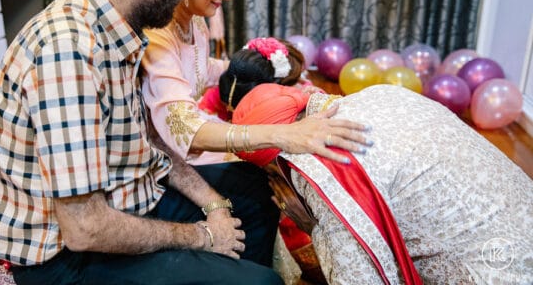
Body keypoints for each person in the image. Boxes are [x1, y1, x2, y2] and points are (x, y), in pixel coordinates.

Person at [0, 0, 284, 285]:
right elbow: (86, 228)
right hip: (67, 257)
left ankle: (234, 271)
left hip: (128, 196)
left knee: (253, 188)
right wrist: (203, 236)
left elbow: (149, 141)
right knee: (263, 284)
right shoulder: (68, 52)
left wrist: (214, 205)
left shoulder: (117, 26)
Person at [220, 42, 533, 284]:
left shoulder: (324, 167)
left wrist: (315, 228)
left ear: (276, 160)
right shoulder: (377, 94)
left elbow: (359, 278)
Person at [141, 0, 371, 167]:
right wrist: (283, 134)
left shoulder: (195, 22)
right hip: (171, 162)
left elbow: (201, 67)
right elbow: (185, 130)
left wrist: (266, 69)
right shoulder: (158, 40)